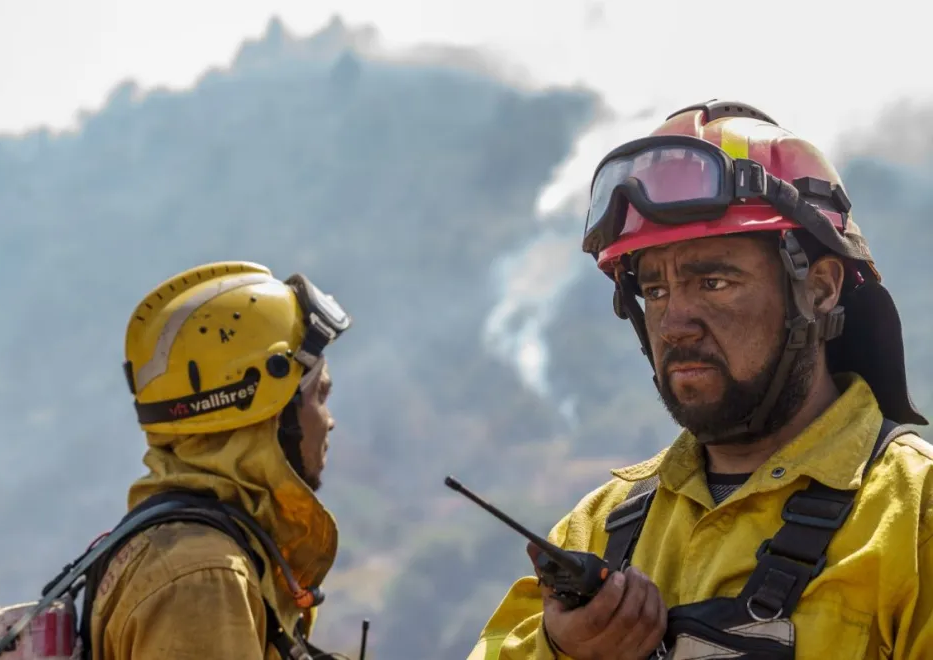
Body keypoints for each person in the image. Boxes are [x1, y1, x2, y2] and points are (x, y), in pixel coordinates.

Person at [467, 100, 933, 659]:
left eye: (713, 281)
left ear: (822, 288)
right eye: (656, 290)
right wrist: (561, 649)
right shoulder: (598, 530)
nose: (676, 324)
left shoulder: (914, 520)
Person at [87, 260, 352, 660]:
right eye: (320, 396)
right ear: (267, 407)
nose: (329, 422)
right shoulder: (204, 579)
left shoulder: (200, 550)